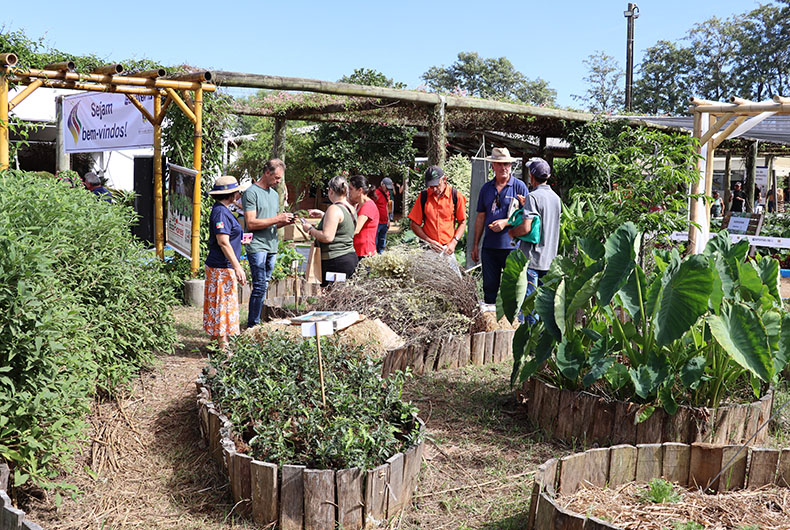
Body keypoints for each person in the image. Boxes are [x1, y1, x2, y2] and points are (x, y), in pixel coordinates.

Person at [471, 147, 529, 304]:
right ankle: (491, 323)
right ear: (493, 166)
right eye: (500, 164)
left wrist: (506, 222)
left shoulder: (519, 187)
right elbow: (480, 217)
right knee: (489, 288)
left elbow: (529, 218)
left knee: (513, 290)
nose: (504, 168)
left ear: (511, 165)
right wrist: (475, 244)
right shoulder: (486, 188)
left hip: (512, 248)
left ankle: (515, 325)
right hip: (489, 248)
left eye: (507, 164)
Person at [242, 159, 295, 328]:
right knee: (258, 286)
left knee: (264, 285)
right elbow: (251, 223)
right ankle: (253, 325)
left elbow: (271, 222)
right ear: (267, 173)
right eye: (277, 178)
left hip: (271, 245)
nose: (279, 182)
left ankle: (257, 321)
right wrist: (277, 218)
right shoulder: (251, 193)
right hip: (257, 245)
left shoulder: (273, 194)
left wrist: (284, 222)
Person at [508, 158, 561, 323]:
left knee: (529, 307)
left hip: (532, 262)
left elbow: (526, 228)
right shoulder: (555, 198)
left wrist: (512, 232)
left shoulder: (533, 196)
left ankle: (531, 346)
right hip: (549, 261)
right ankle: (541, 344)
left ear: (531, 176)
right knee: (544, 307)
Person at [203, 176, 247, 350]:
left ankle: (215, 340)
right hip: (221, 266)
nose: (239, 194)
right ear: (231, 194)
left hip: (220, 265)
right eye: (237, 191)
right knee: (222, 304)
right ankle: (223, 345)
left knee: (218, 303)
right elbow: (222, 241)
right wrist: (237, 266)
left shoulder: (224, 210)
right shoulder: (221, 212)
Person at [302, 176, 359, 287]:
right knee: (344, 298)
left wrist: (310, 229)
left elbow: (327, 237)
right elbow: (342, 224)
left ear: (331, 190)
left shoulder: (334, 209)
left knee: (333, 300)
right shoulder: (350, 208)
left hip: (335, 260)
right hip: (349, 257)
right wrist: (324, 215)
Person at [408, 165, 467, 256]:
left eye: (437, 185)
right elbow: (414, 224)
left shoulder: (456, 196)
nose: (434, 189)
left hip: (448, 249)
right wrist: (429, 241)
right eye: (431, 186)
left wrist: (454, 242)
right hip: (427, 249)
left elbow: (462, 222)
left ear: (444, 180)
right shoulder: (424, 196)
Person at [348, 175, 380, 259]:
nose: (348, 192)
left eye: (351, 189)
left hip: (365, 253)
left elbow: (356, 229)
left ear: (360, 190)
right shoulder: (359, 205)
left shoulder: (368, 206)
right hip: (358, 251)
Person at [373, 177, 394, 253]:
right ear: (382, 184)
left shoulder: (387, 193)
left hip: (384, 222)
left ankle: (381, 254)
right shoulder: (375, 194)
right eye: (387, 188)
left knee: (382, 241)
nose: (387, 190)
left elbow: (386, 206)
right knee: (375, 241)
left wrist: (388, 220)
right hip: (377, 222)